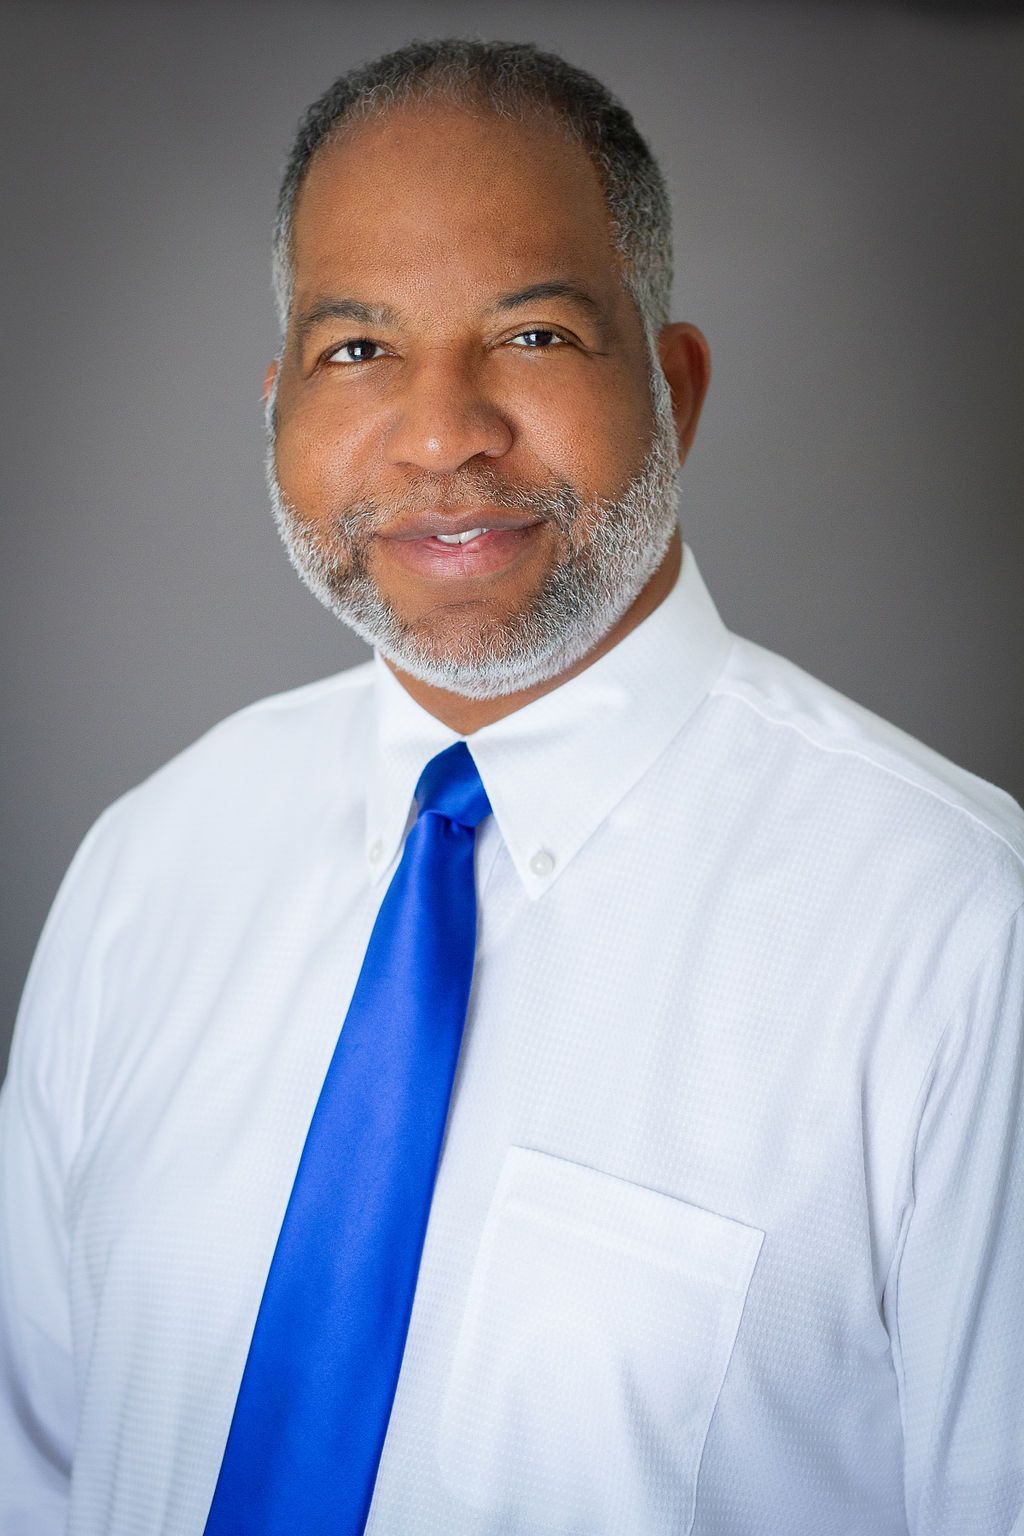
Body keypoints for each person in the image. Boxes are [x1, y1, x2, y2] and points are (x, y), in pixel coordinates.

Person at [1, 36, 1021, 1536]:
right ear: (277, 406)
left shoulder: (958, 933)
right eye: (360, 351)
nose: (440, 434)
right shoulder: (145, 870)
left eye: (534, 337)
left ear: (673, 384)